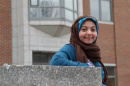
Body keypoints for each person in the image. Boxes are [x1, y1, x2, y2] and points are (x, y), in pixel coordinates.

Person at [50, 15, 108, 85]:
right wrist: (86, 68)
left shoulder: (93, 52)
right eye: (84, 29)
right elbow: (56, 61)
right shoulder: (71, 48)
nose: (89, 33)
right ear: (76, 31)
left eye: (93, 30)